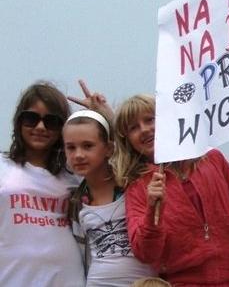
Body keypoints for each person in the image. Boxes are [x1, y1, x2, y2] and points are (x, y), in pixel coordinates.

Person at [112, 94, 229, 286]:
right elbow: (145, 253)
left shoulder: (212, 159)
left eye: (150, 119)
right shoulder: (138, 187)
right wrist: (153, 211)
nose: (144, 129)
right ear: (128, 140)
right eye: (133, 128)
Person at [0, 81, 85, 286]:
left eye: (51, 121)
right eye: (31, 118)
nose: (40, 127)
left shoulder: (78, 174)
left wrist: (105, 116)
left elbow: (120, 168)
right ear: (19, 121)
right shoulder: (3, 167)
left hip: (69, 279)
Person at [64, 109, 156, 286]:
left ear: (109, 148)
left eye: (88, 146)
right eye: (71, 147)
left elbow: (136, 148)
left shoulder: (134, 183)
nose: (79, 155)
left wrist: (107, 113)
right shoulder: (75, 202)